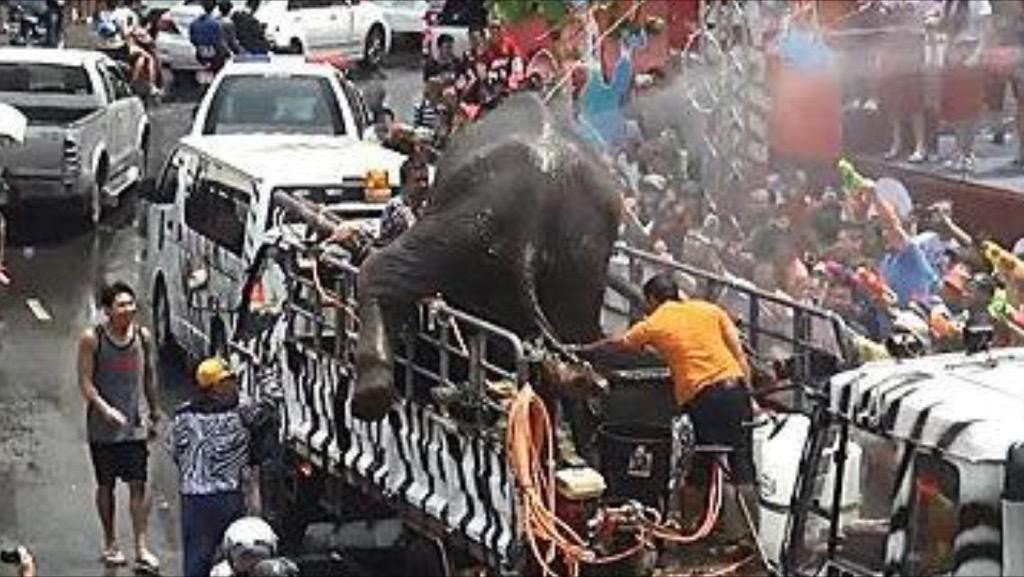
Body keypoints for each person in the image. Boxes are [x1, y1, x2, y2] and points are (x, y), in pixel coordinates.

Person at [578, 273, 757, 547]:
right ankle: (746, 537)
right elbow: (738, 352)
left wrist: (584, 349)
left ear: (651, 299)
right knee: (741, 460)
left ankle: (689, 531)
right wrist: (750, 395)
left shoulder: (655, 322)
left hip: (703, 395)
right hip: (736, 390)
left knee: (701, 462)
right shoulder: (709, 310)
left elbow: (619, 345)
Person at [76, 280, 161, 574]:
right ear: (107, 310)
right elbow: (85, 383)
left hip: (134, 426)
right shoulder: (92, 339)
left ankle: (141, 547)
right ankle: (111, 542)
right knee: (106, 485)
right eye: (121, 305)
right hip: (102, 428)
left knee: (139, 483)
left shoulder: (142, 337)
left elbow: (149, 376)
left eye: (131, 304)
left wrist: (154, 411)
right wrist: (106, 409)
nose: (128, 309)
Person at [171, 358, 256, 577]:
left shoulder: (183, 416)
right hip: (229, 496)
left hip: (195, 498)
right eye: (226, 382)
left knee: (196, 559)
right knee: (240, 560)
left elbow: (175, 451)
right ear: (212, 389)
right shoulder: (241, 414)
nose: (233, 386)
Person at [376, 155, 431, 246]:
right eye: (417, 180)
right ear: (405, 184)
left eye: (426, 180)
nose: (424, 185)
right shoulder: (396, 208)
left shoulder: (429, 206)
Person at [209, 517, 285, 577]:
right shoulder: (221, 573)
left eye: (258, 556)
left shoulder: (279, 570)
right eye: (245, 557)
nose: (252, 564)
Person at [190, 0, 230, 74]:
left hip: (201, 54)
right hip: (215, 55)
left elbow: (192, 39)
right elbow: (219, 41)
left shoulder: (195, 23)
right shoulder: (216, 23)